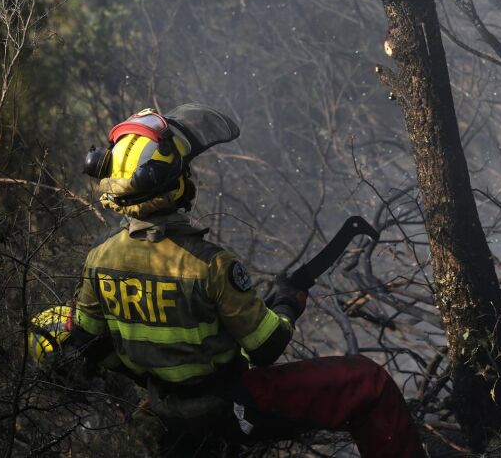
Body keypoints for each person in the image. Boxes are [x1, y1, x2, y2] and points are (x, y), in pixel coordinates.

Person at [29, 104, 426, 457]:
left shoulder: (99, 261)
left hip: (163, 410)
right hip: (226, 408)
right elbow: (266, 345)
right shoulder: (210, 264)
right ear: (175, 183)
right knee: (366, 383)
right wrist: (286, 303)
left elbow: (88, 339)